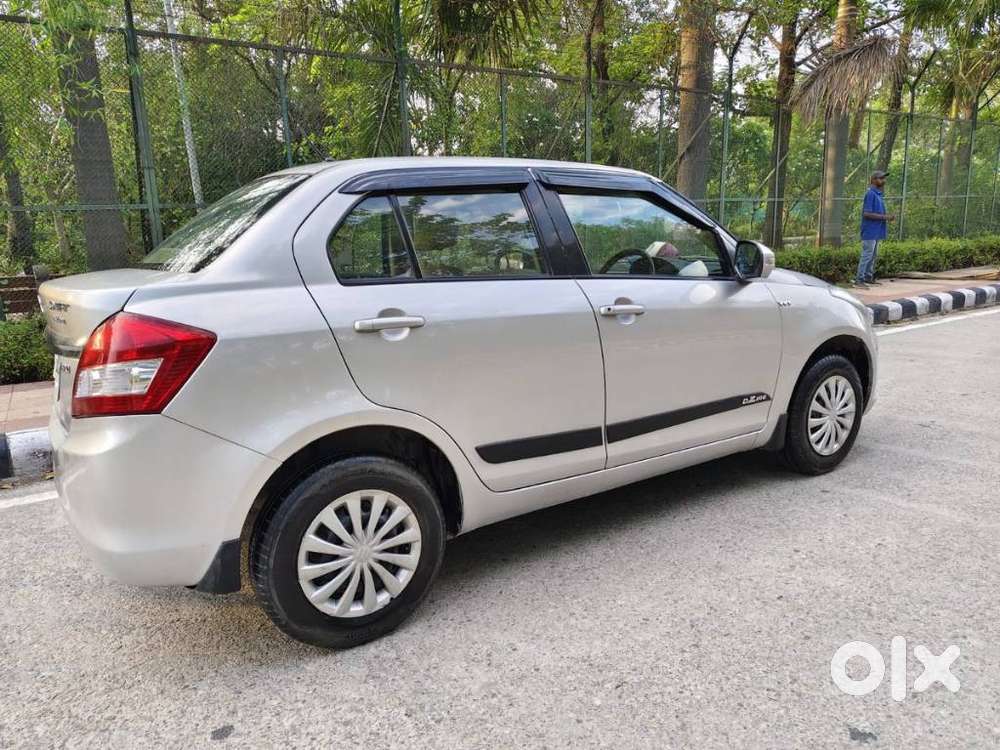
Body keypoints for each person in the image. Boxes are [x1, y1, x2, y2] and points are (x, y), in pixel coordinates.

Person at [854, 170, 895, 288]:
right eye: (880, 178)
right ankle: (859, 280)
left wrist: (886, 217)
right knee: (867, 254)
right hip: (870, 230)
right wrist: (885, 217)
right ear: (873, 180)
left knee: (873, 255)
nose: (883, 180)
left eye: (884, 178)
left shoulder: (878, 194)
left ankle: (868, 277)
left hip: (877, 230)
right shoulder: (870, 194)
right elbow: (866, 213)